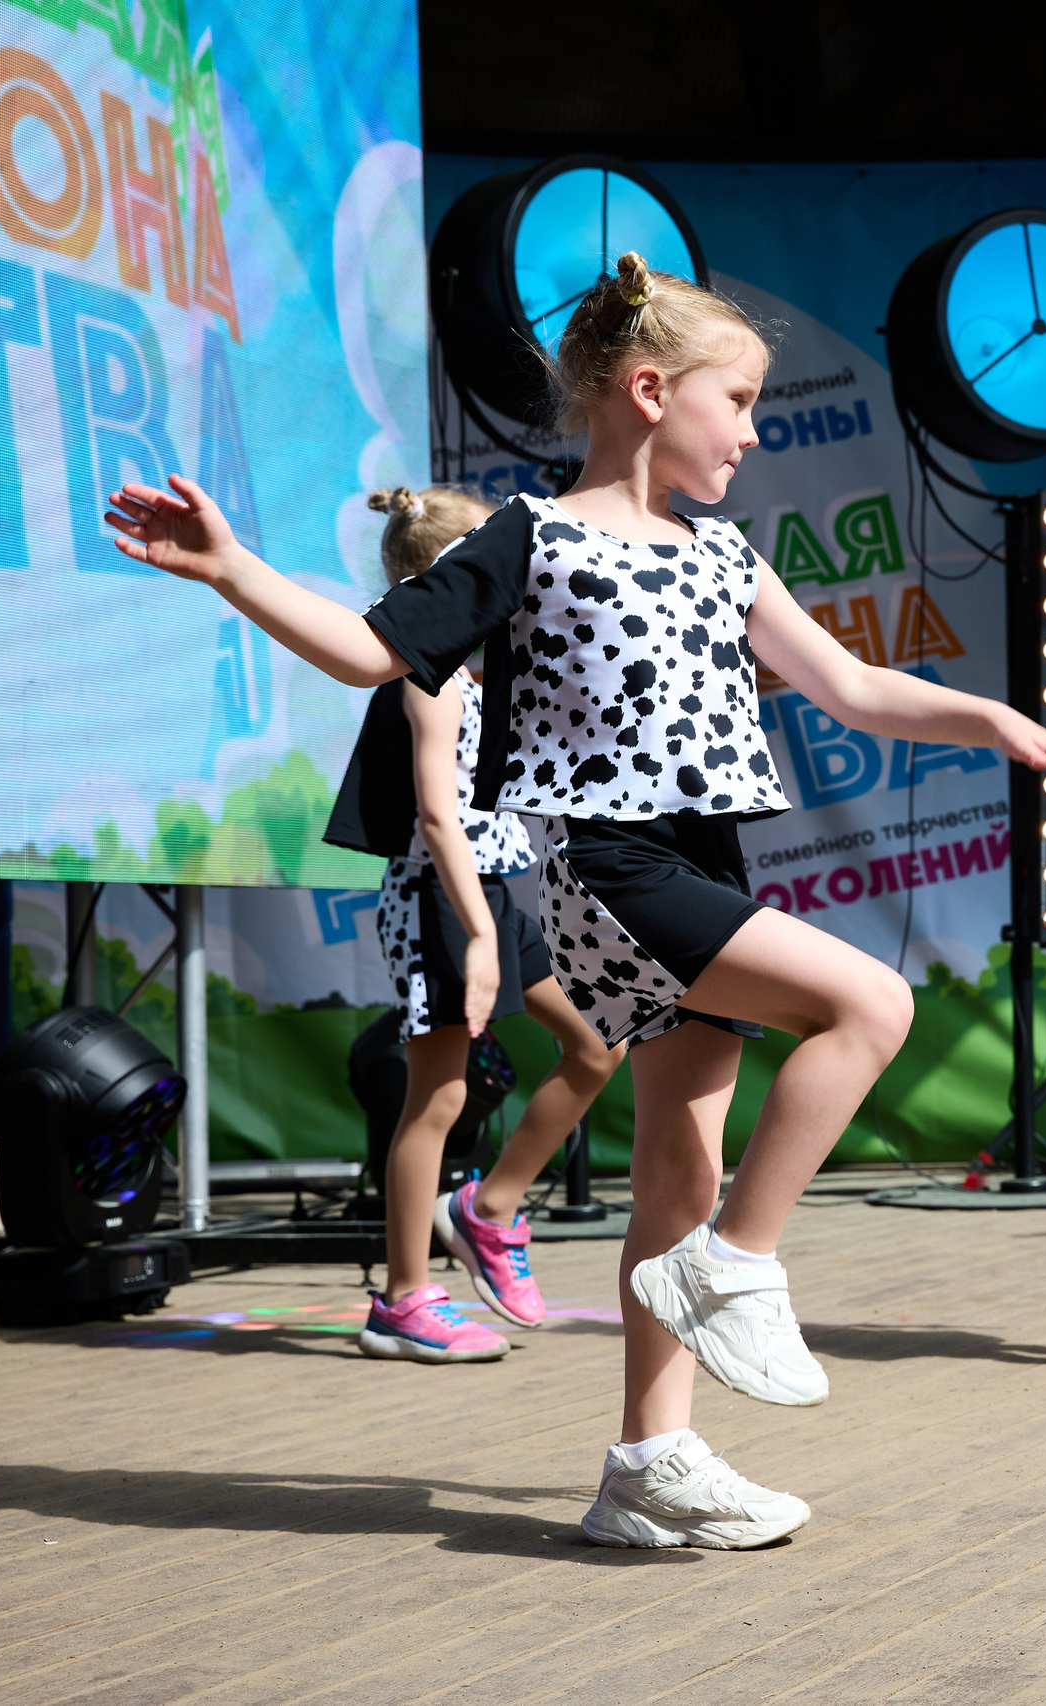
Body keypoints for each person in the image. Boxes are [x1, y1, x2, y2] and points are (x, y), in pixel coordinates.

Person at [106, 253, 1046, 1549]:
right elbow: (369, 649)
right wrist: (231, 567)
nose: (752, 431)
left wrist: (995, 718)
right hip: (609, 866)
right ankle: (736, 1263)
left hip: (707, 859)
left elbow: (853, 685)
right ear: (648, 389)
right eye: (736, 401)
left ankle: (648, 1459)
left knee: (677, 1166)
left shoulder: (724, 554)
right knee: (870, 1003)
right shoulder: (530, 537)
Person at [325, 486, 626, 1366]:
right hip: (441, 901)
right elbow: (436, 815)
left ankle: (488, 1209)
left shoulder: (474, 672)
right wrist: (482, 936)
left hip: (491, 894)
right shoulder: (427, 675)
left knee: (594, 1048)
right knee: (439, 1097)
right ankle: (404, 1300)